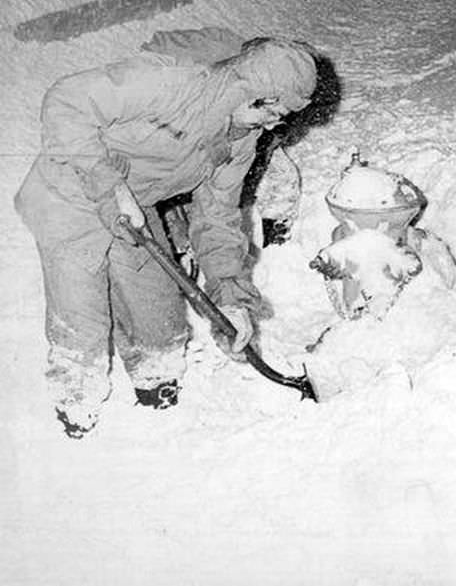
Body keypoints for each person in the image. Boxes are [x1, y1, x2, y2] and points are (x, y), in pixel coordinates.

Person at [14, 35, 318, 439]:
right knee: (80, 308)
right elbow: (66, 101)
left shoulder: (240, 141)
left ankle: (155, 377)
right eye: (270, 112)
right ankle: (77, 400)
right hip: (70, 190)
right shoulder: (167, 84)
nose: (271, 125)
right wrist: (108, 186)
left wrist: (231, 297)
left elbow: (218, 218)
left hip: (135, 206)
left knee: (156, 309)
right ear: (249, 90)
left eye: (279, 118)